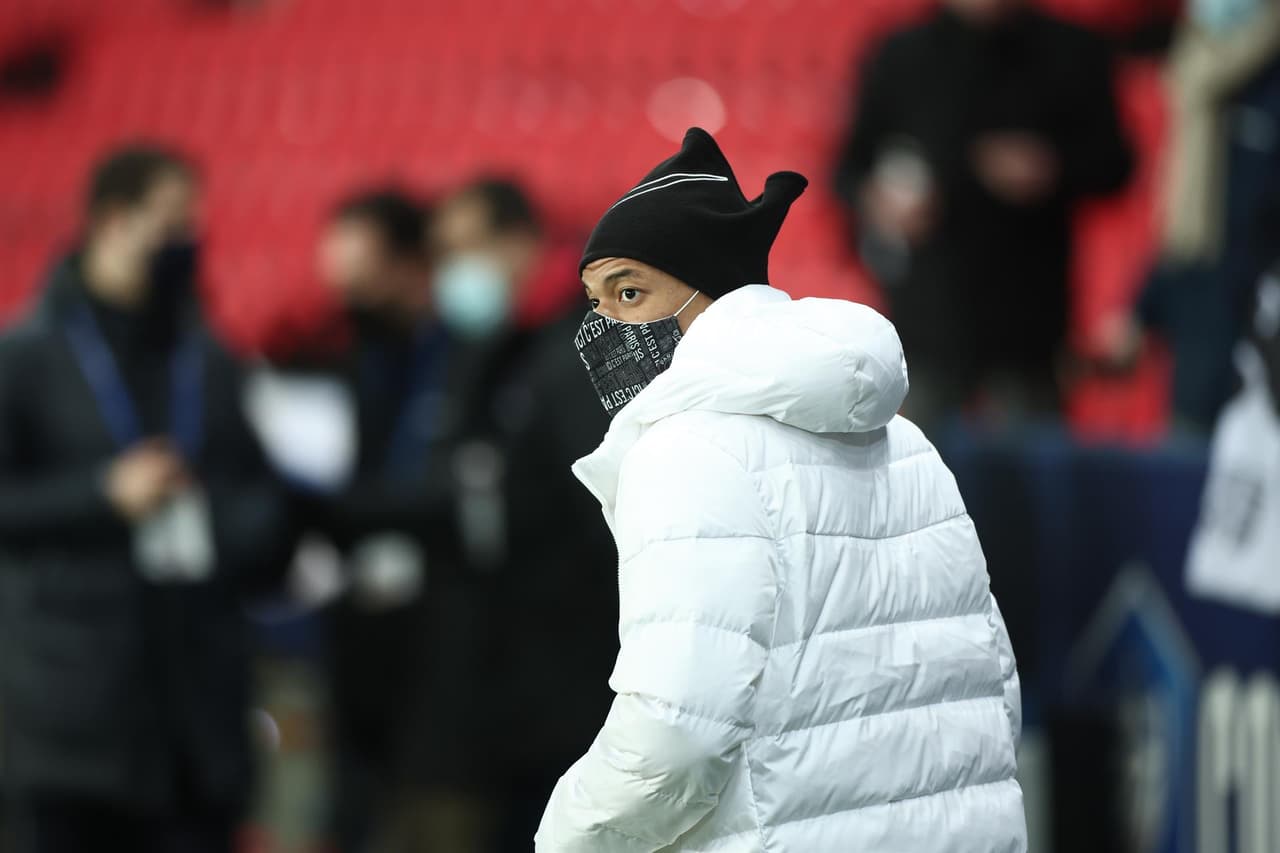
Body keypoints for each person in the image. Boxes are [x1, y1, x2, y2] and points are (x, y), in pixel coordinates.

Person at [535, 128, 1026, 852]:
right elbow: (991, 682)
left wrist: (569, 832)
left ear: (714, 291)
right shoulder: (909, 441)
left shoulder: (684, 449)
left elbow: (676, 734)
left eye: (630, 291)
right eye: (596, 301)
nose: (605, 328)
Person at [0, 145, 288, 853]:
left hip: (196, 715)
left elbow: (260, 496)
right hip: (69, 717)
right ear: (112, 220)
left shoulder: (208, 355)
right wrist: (100, 494)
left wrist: (228, 521)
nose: (187, 238)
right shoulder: (27, 356)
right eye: (171, 220)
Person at [834, 0, 1133, 432]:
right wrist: (881, 201)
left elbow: (1116, 165)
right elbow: (847, 171)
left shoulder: (1070, 50)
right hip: (926, 320)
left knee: (1022, 484)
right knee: (911, 478)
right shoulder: (902, 54)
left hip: (1027, 326)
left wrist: (1051, 169)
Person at [428, 178, 618, 852]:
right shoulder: (496, 354)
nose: (454, 271)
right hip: (519, 683)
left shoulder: (578, 351)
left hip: (582, 679)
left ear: (520, 243)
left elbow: (606, 520)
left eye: (468, 248)